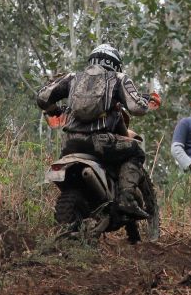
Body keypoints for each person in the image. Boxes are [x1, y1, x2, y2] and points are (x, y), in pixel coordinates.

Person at [36, 44, 159, 219]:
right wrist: (144, 101)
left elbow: (42, 97)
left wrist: (55, 110)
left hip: (70, 143)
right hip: (100, 143)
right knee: (136, 152)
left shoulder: (73, 77)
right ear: (115, 63)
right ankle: (126, 198)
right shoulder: (118, 78)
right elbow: (137, 108)